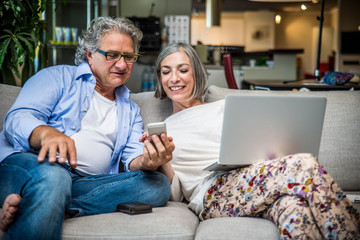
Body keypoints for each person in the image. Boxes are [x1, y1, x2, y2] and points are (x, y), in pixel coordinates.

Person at [142, 42, 360, 239]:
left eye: (183, 70)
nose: (174, 78)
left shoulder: (225, 107)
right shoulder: (163, 129)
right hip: (211, 192)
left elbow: (258, 141)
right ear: (160, 78)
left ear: (196, 73)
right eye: (166, 71)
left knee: (293, 209)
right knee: (304, 163)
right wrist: (164, 158)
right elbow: (178, 193)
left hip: (253, 177)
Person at [0, 17, 174, 239]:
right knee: (55, 177)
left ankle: (45, 203)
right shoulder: (58, 77)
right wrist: (45, 133)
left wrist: (149, 161)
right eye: (112, 55)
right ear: (90, 54)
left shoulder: (131, 111)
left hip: (84, 184)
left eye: (129, 57)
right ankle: (46, 196)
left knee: (157, 185)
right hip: (29, 167)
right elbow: (17, 118)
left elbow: (133, 161)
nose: (122, 65)